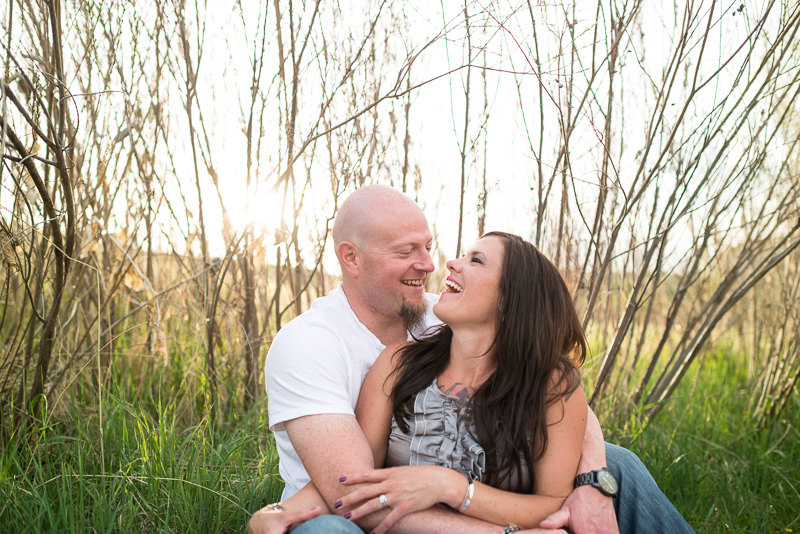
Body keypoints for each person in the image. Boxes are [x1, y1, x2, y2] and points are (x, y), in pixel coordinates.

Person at [250, 185, 694, 534]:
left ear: (510, 300)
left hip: (472, 502)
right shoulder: (318, 345)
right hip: (371, 516)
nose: (433, 265)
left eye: (430, 247)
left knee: (618, 463)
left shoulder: (437, 313)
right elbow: (354, 489)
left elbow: (566, 404)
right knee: (327, 530)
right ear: (351, 258)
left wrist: (592, 483)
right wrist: (275, 511)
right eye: (406, 252)